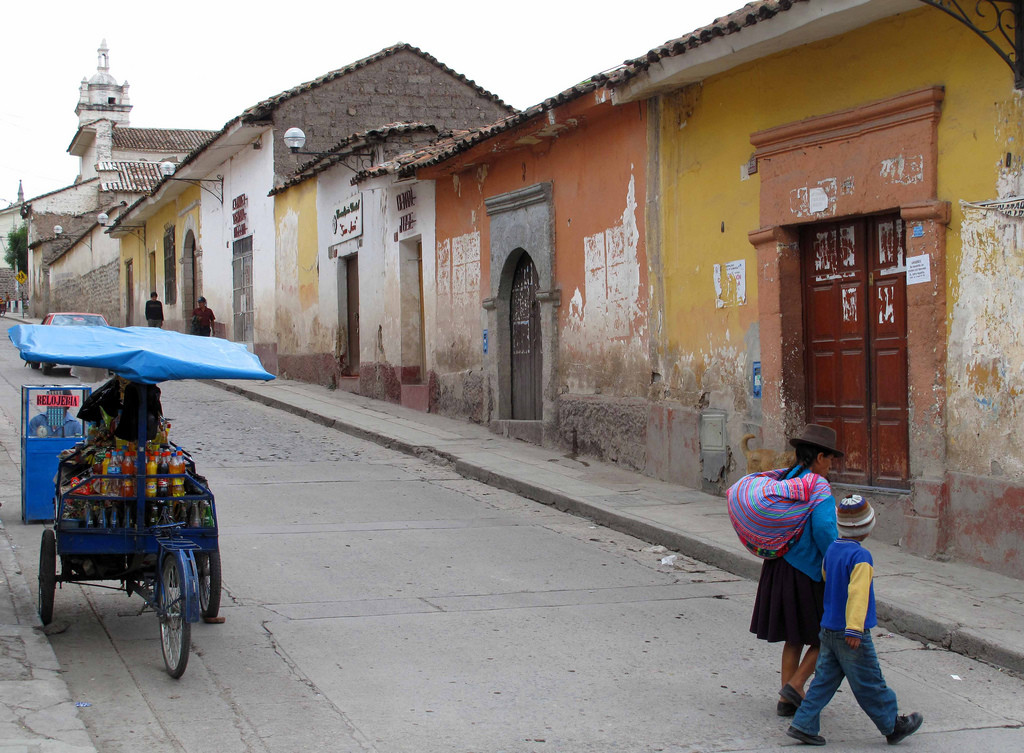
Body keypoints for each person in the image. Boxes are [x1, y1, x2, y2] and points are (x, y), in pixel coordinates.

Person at [786, 496, 923, 746]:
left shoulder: (832, 551)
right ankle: (893, 725)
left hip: (828, 629)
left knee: (824, 681)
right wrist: (855, 629)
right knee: (870, 681)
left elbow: (826, 577)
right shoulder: (862, 557)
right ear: (867, 528)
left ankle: (803, 724)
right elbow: (858, 595)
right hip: (850, 633)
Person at [749, 423, 842, 717]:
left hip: (779, 566)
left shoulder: (790, 477)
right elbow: (824, 529)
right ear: (820, 457)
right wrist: (838, 561)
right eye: (830, 459)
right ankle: (796, 686)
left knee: (794, 636)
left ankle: (786, 698)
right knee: (827, 636)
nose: (831, 466)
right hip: (807, 572)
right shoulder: (818, 486)